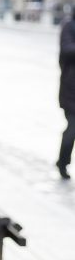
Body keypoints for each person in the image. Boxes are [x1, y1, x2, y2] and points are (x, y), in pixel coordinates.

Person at [58, 15, 75, 179]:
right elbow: (66, 50)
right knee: (72, 128)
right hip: (71, 90)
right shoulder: (69, 25)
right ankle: (62, 162)